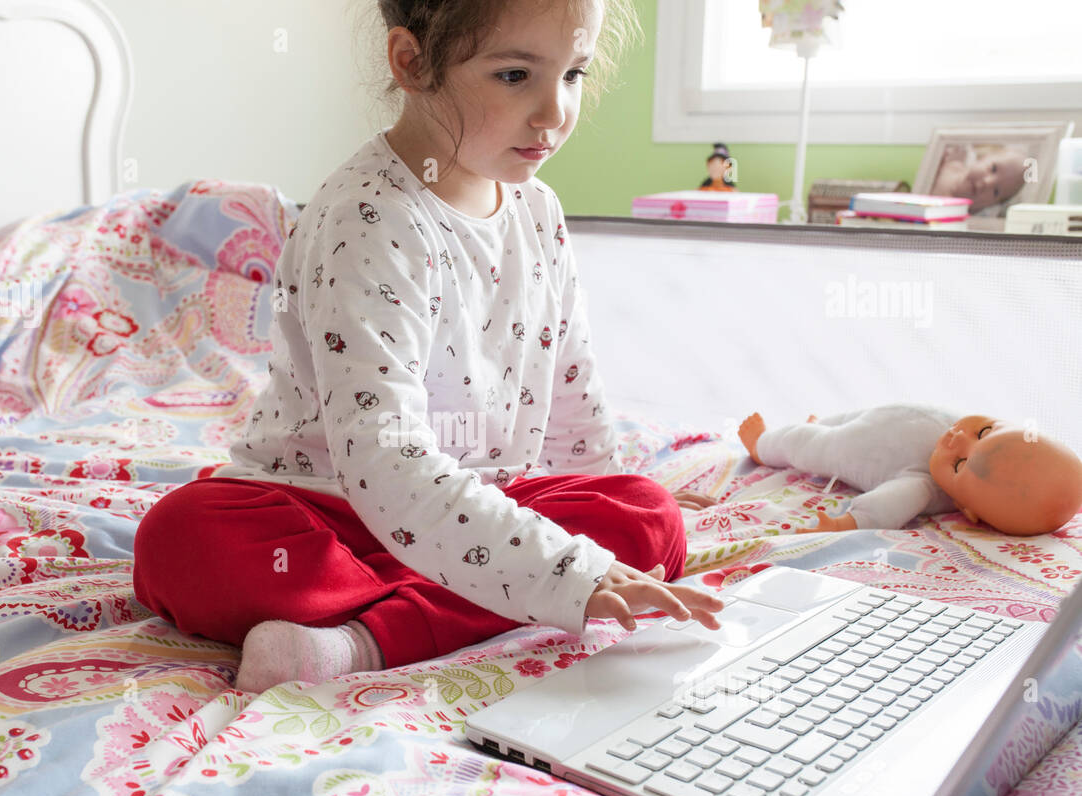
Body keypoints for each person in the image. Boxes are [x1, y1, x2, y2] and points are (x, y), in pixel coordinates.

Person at [132, 0, 725, 694]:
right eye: (514, 76)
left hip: (479, 498)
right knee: (181, 543)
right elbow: (383, 458)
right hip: (328, 506)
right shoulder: (367, 217)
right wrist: (567, 571)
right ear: (412, 63)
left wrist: (590, 532)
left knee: (648, 516)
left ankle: (364, 640)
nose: (554, 113)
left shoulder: (538, 212)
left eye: (573, 75)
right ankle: (419, 615)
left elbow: (571, 396)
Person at [738, 407, 1082, 535]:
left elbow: (885, 509)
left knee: (804, 441)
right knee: (835, 420)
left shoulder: (923, 486)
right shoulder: (963, 430)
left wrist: (846, 523)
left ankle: (764, 445)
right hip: (872, 417)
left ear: (967, 510)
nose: (958, 438)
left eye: (960, 464)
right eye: (986, 431)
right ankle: (822, 422)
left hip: (844, 446)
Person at [931, 143, 1031, 217]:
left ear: (993, 204)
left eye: (996, 192)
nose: (987, 183)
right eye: (993, 169)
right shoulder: (950, 164)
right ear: (983, 157)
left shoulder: (970, 218)